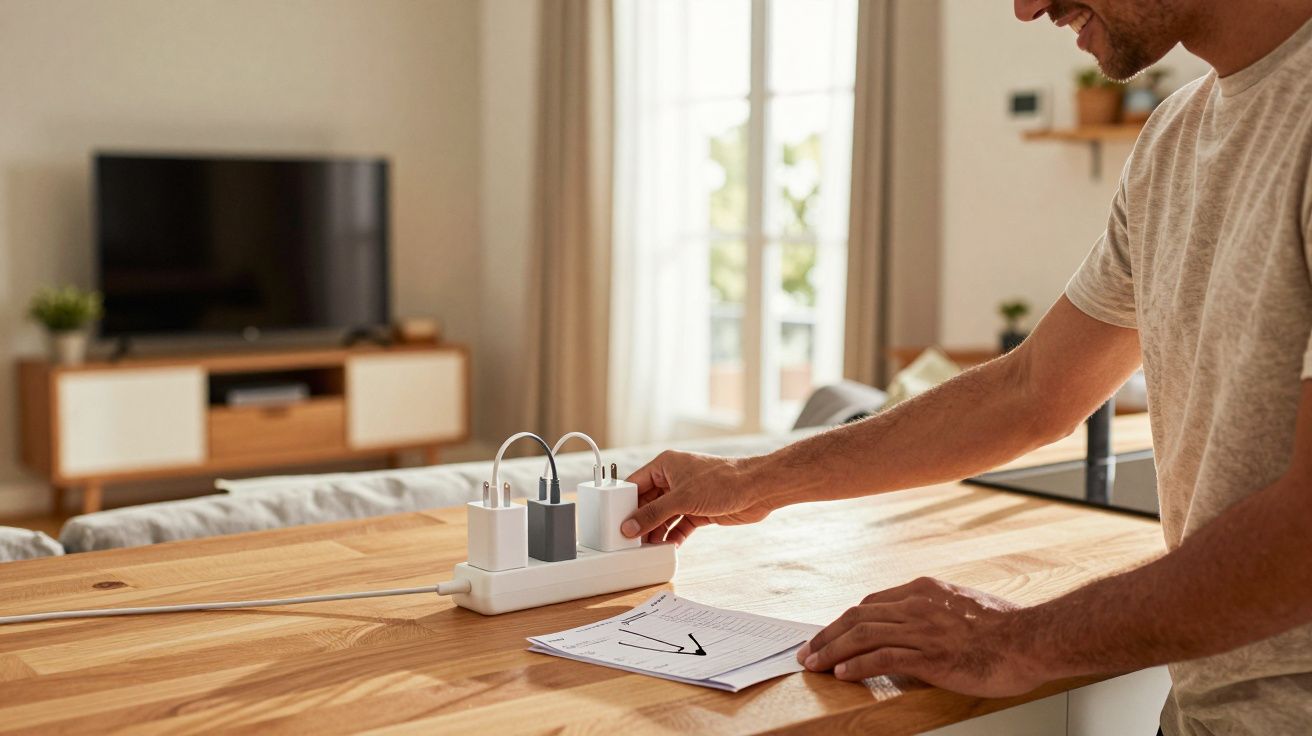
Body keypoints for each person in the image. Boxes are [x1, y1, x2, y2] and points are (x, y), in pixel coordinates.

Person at [618, 1, 1312, 733]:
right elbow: (1031, 390)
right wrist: (750, 480)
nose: (1026, 6)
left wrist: (1014, 641)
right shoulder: (1176, 135)